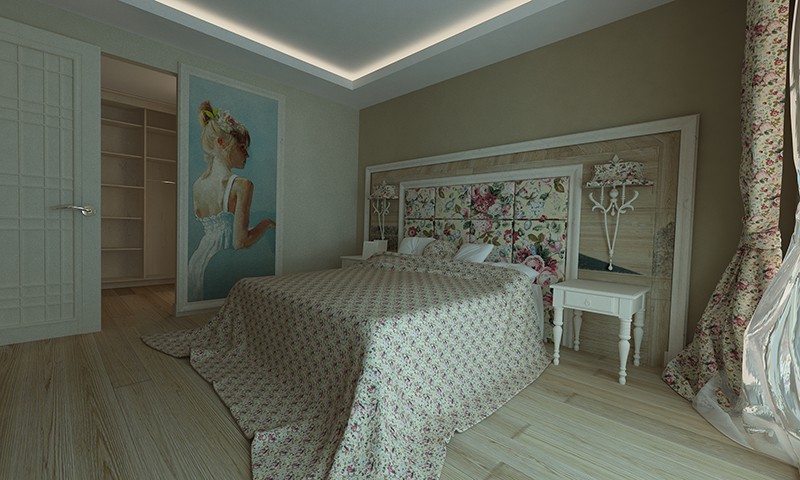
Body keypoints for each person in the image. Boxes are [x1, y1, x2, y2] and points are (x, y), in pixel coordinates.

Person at [188, 100, 276, 302]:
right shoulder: (241, 185)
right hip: (219, 263)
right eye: (241, 147)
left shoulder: (197, 185)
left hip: (197, 261)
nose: (247, 154)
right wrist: (265, 224)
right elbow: (240, 242)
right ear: (221, 143)